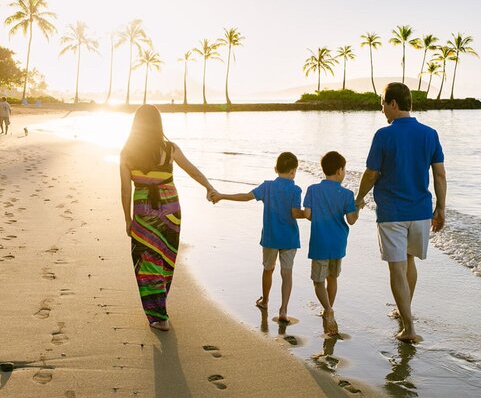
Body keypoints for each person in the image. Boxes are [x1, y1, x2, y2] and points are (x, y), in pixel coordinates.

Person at [355, 82, 447, 342]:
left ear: (393, 103)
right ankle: (403, 309)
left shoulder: (383, 135)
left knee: (397, 268)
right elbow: (439, 174)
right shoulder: (430, 133)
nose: (382, 109)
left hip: (392, 213)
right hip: (420, 211)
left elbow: (372, 173)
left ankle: (409, 328)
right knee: (409, 261)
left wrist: (359, 197)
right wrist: (441, 207)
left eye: (383, 103)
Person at [119, 104, 217, 331]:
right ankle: (160, 307)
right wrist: (208, 186)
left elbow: (125, 190)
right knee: (166, 257)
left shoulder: (127, 152)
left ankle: (158, 314)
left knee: (147, 259)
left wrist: (127, 219)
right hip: (171, 209)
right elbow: (191, 170)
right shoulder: (170, 148)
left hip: (144, 211)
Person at [214, 152, 305, 322]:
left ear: (276, 169)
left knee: (268, 269)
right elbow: (295, 213)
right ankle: (284, 309)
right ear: (294, 171)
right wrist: (309, 214)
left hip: (271, 238)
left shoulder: (267, 187)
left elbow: (246, 197)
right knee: (287, 273)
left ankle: (265, 300)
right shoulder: (295, 189)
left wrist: (222, 196)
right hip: (289, 239)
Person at [303, 151, 358, 335]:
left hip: (320, 242)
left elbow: (309, 215)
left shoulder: (312, 190)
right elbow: (351, 220)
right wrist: (357, 208)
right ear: (339, 170)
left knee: (318, 281)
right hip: (338, 243)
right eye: (344, 170)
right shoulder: (347, 194)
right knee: (332, 278)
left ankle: (328, 310)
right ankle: (329, 310)